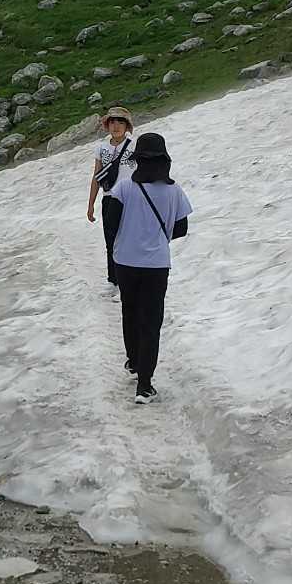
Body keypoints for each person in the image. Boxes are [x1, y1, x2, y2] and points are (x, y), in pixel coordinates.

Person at [109, 132, 192, 404]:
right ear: (164, 160)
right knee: (151, 321)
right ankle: (144, 386)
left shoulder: (124, 188)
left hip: (125, 261)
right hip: (156, 265)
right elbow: (181, 228)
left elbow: (110, 224)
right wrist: (157, 236)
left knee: (130, 312)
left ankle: (134, 361)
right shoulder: (174, 191)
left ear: (139, 160)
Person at [83, 106, 135, 288]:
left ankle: (131, 277)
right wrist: (90, 205)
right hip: (109, 199)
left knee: (130, 239)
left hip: (130, 199)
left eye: (120, 122)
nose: (116, 126)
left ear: (127, 126)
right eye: (112, 122)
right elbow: (96, 177)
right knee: (111, 242)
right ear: (107, 125)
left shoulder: (135, 146)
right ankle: (114, 280)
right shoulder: (101, 148)